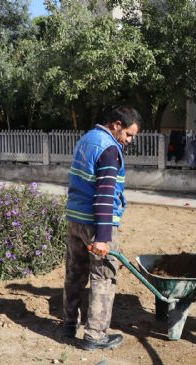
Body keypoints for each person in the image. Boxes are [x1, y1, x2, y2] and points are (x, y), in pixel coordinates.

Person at [63, 106, 141, 350]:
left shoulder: (86, 139)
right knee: (103, 277)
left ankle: (68, 324)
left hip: (75, 219)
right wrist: (103, 237)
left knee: (74, 273)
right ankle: (95, 336)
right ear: (116, 124)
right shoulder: (109, 149)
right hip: (95, 224)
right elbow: (105, 195)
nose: (129, 140)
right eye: (128, 134)